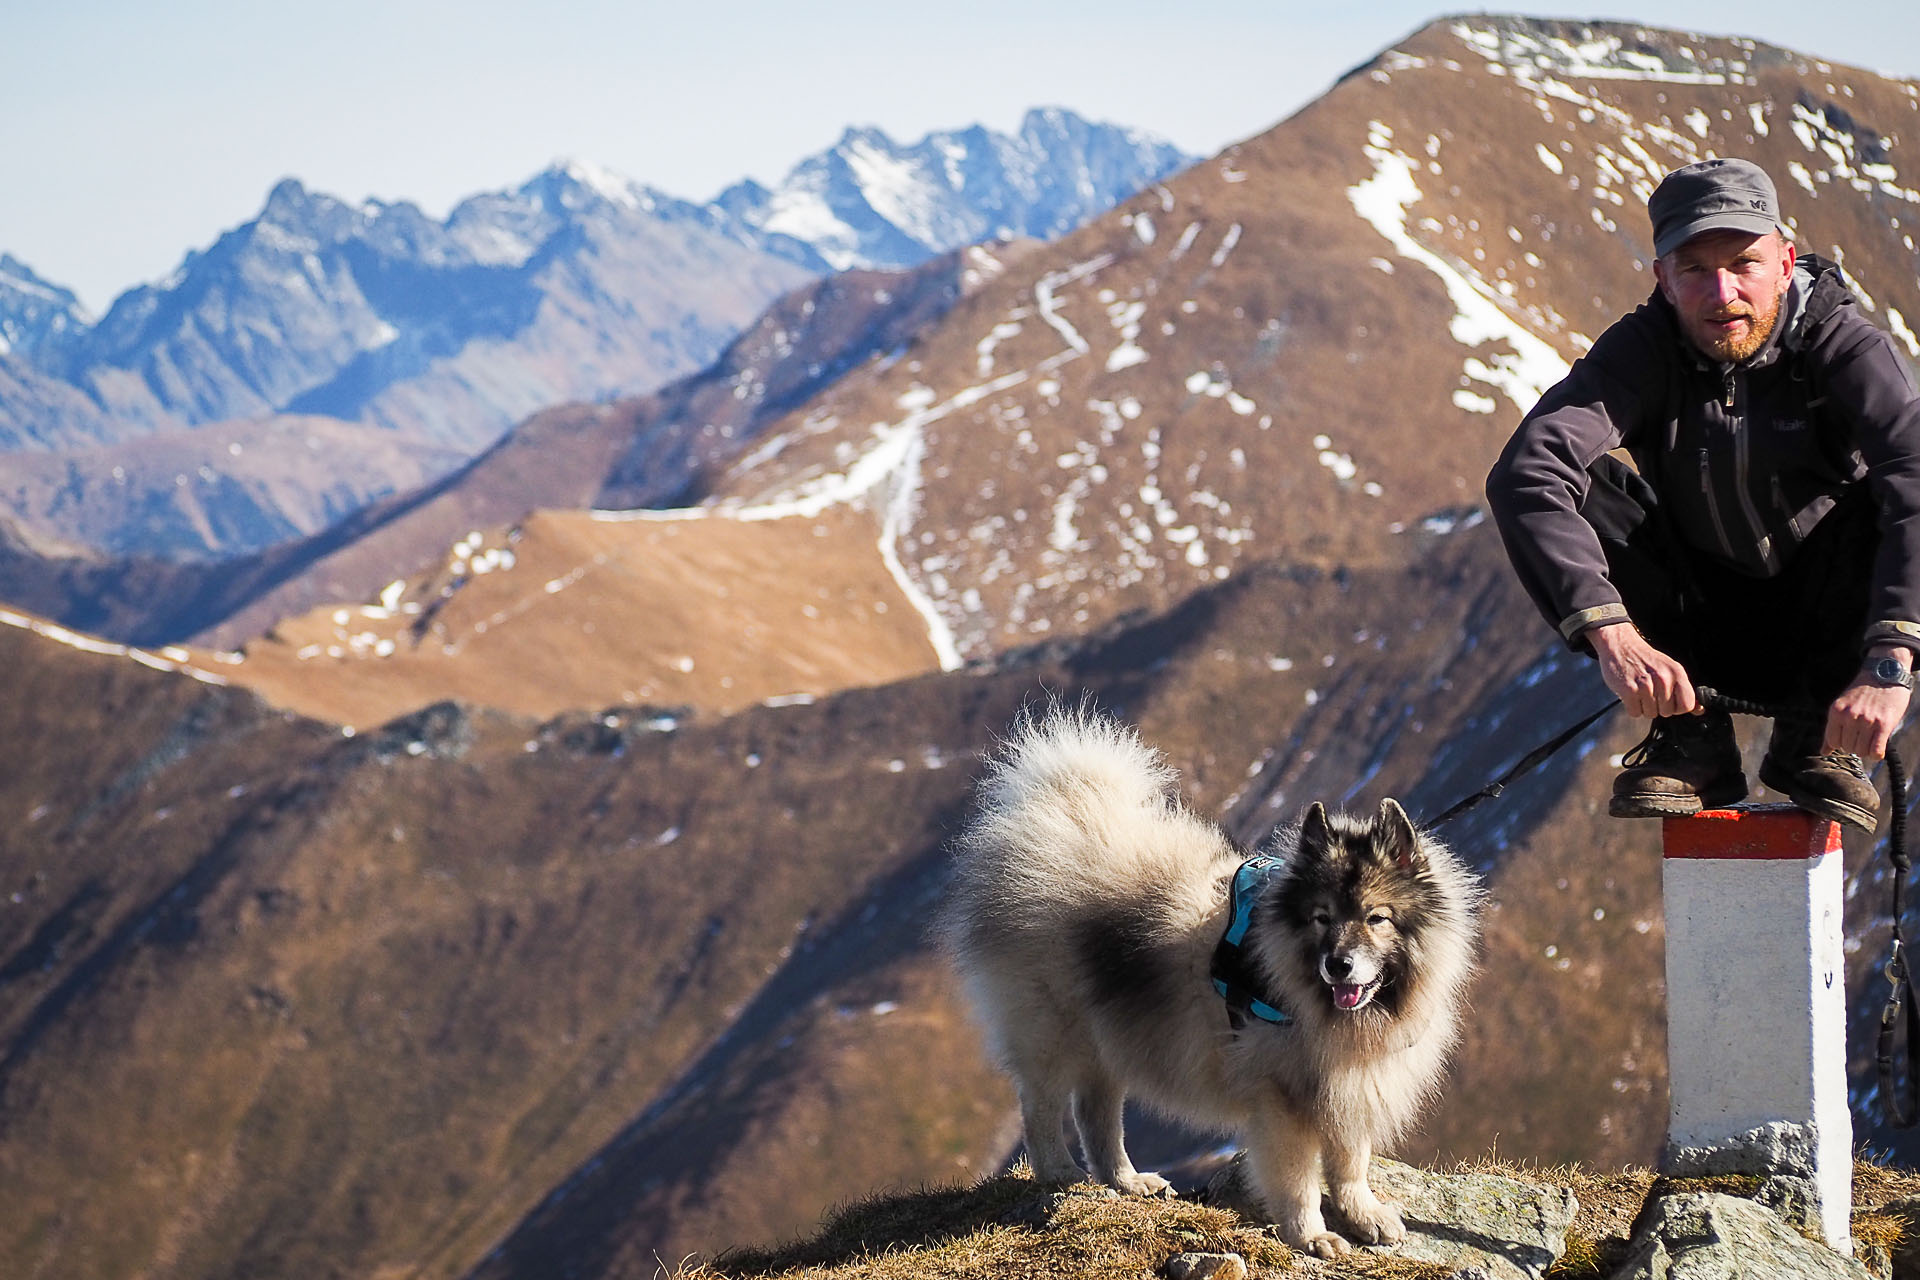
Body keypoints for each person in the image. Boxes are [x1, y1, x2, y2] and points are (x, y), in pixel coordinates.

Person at [1486, 157, 1920, 832]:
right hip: (1697, 622)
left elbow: (1915, 473)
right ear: (1662, 278)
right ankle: (1692, 736)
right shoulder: (1643, 350)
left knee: (1888, 489)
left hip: (1827, 622)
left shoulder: (1841, 344)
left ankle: (1816, 737)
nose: (1723, 293)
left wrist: (1889, 664)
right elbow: (1527, 473)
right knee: (1586, 486)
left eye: (1744, 263)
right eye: (1694, 269)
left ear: (1784, 261)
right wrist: (1613, 635)